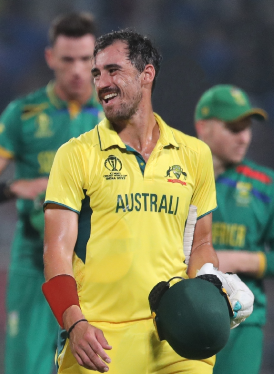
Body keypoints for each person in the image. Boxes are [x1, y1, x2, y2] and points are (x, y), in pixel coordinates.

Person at [41, 29, 253, 374]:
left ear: (146, 74)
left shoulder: (194, 154)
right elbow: (56, 251)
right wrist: (74, 323)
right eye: (97, 74)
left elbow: (201, 242)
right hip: (100, 341)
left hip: (177, 338)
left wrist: (211, 280)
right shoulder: (75, 154)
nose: (102, 83)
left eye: (113, 70)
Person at [0, 13, 103, 374]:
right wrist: (14, 187)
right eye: (67, 59)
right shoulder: (22, 114)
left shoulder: (114, 114)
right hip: (33, 259)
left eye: (86, 60)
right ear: (50, 58)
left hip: (98, 260)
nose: (76, 69)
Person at [194, 84, 271, 374]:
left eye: (247, 127)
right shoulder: (176, 180)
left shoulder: (265, 186)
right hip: (187, 314)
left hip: (243, 322)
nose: (245, 138)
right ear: (204, 127)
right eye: (233, 128)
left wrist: (241, 260)